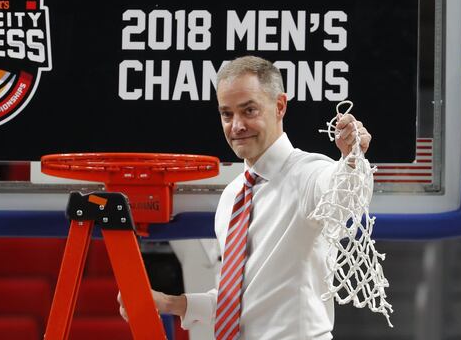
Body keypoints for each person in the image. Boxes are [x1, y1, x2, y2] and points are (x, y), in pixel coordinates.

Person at [118, 55, 371, 339]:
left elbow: (345, 194)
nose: (236, 125)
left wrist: (351, 158)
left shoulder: (311, 174)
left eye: (249, 110)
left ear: (279, 106)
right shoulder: (232, 196)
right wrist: (168, 303)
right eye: (227, 114)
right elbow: (237, 302)